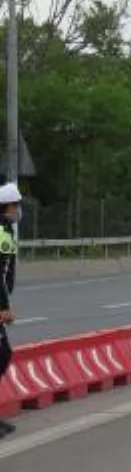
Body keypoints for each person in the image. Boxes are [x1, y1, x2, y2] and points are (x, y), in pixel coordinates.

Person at [0, 183, 20, 438]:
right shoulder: (2, 234)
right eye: (15, 205)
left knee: (3, 354)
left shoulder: (6, 231)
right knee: (2, 354)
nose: (18, 210)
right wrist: (3, 307)